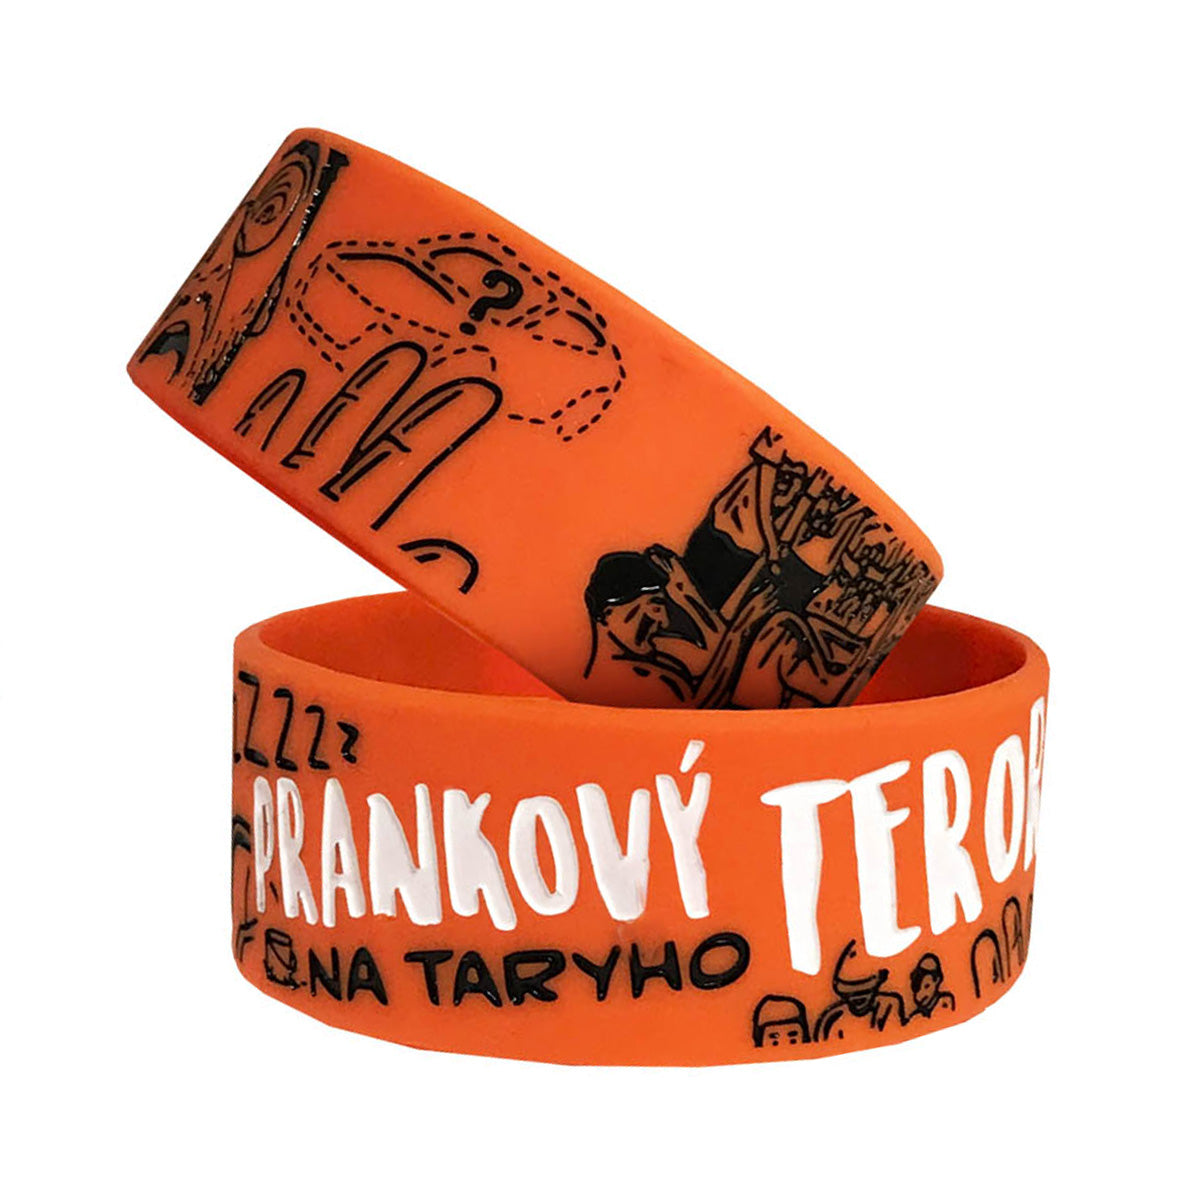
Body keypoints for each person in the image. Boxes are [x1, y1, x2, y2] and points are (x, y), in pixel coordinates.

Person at [813, 940, 906, 1040]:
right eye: (849, 994)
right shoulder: (833, 1018)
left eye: (865, 991)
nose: (858, 999)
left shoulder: (889, 1004)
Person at [908, 953, 955, 1020]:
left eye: (927, 986)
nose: (920, 995)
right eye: (917, 987)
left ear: (937, 981)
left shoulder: (945, 1001)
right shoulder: (916, 1016)